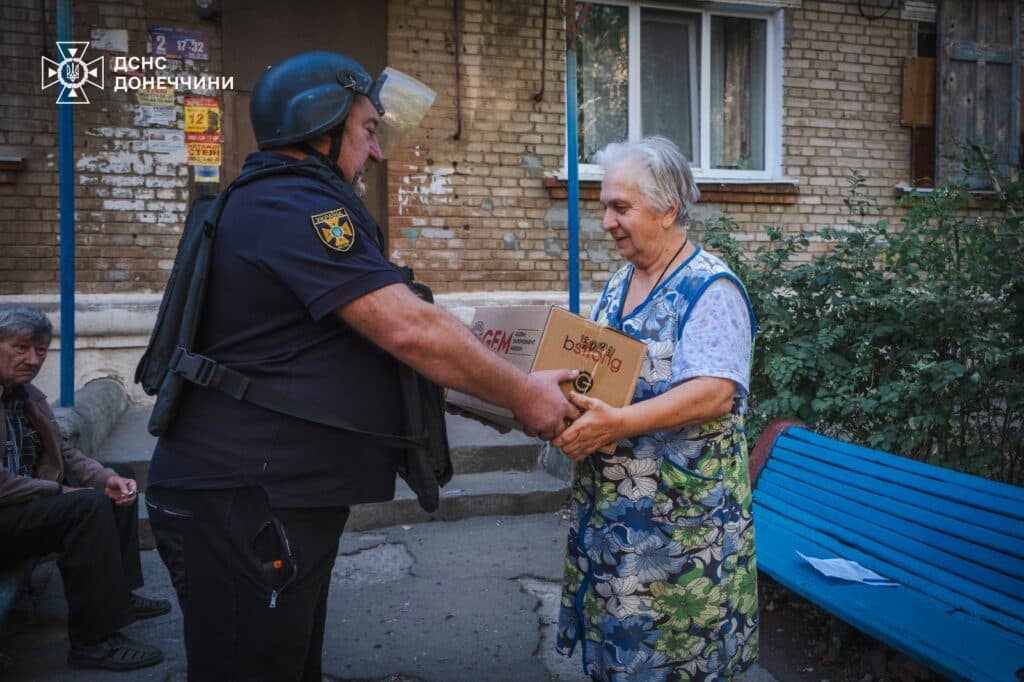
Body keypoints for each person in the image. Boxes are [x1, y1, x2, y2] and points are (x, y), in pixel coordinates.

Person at [145, 51, 577, 682]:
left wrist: (473, 389)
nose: (377, 152)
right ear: (318, 127)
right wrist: (520, 392)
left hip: (265, 500)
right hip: (248, 502)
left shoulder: (281, 202)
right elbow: (406, 327)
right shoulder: (293, 206)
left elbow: (356, 342)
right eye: (368, 129)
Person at [551, 137, 759, 680]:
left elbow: (715, 392)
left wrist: (617, 423)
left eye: (621, 207)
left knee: (676, 656)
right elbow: (605, 368)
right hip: (620, 519)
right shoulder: (623, 281)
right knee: (622, 651)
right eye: (603, 207)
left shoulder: (710, 286)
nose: (607, 222)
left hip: (682, 532)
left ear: (668, 209)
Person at [0, 306, 170, 672]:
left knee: (115, 478)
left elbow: (63, 451)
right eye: (20, 348)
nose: (33, 359)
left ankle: (118, 595)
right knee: (86, 507)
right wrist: (59, 493)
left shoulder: (25, 395)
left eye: (41, 350)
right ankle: (94, 643)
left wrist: (104, 477)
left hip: (21, 505)